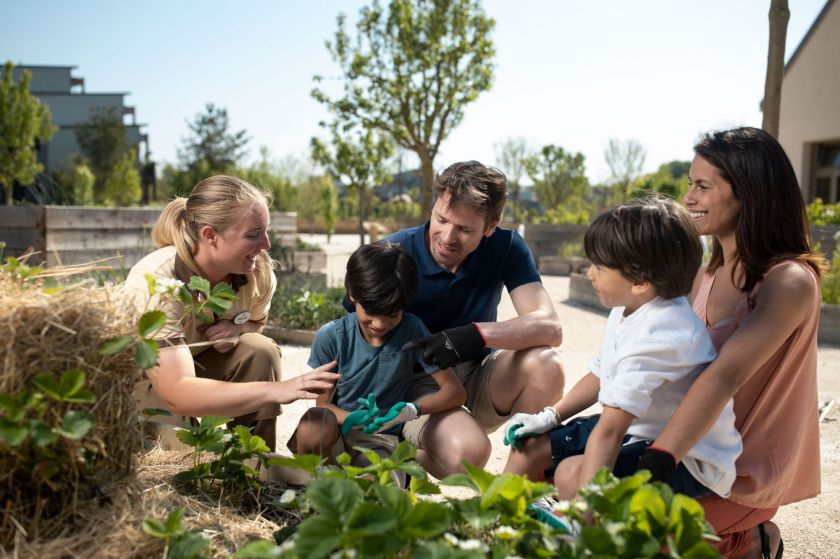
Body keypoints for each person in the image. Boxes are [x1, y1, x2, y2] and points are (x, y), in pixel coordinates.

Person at [638, 127, 825, 559]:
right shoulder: (704, 275)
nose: (688, 199)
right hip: (691, 450)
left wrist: (661, 453)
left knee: (642, 536)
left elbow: (727, 374)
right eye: (690, 184)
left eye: (703, 187)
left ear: (749, 195)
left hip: (741, 474)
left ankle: (752, 541)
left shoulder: (789, 282)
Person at [501, 196, 741, 503]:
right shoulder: (630, 305)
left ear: (640, 279)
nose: (589, 274)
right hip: (638, 429)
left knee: (571, 475)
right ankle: (492, 524)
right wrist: (550, 416)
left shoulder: (662, 334)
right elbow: (602, 370)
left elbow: (611, 432)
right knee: (528, 444)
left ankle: (578, 533)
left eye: (599, 266)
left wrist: (583, 508)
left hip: (687, 458)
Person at [377, 160, 564, 478]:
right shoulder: (393, 252)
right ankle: (394, 450)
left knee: (548, 365)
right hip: (417, 386)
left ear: (491, 227)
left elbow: (550, 326)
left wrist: (474, 334)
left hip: (477, 374)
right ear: (434, 206)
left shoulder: (506, 247)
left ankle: (515, 485)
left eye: (464, 229)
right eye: (441, 219)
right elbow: (351, 336)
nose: (447, 237)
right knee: (469, 456)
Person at [125, 175, 339, 451]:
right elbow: (177, 390)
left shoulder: (256, 273)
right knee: (184, 449)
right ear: (210, 235)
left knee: (259, 352)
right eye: (253, 234)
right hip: (151, 376)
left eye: (266, 231)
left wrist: (239, 329)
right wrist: (277, 389)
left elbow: (256, 323)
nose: (266, 244)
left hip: (196, 361)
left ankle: (253, 464)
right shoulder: (157, 281)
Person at [288, 242, 466, 477]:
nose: (380, 325)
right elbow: (323, 405)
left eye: (392, 314)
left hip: (382, 442)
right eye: (370, 312)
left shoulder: (413, 330)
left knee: (375, 485)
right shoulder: (331, 336)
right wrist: (352, 418)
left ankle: (354, 489)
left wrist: (412, 410)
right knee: (314, 423)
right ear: (352, 295)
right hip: (339, 434)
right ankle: (322, 486)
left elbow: (455, 392)